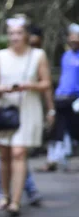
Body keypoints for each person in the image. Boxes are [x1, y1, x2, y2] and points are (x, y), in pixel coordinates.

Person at [0, 14, 52, 216]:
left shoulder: (38, 55)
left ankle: (15, 201)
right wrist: (4, 89)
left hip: (28, 108)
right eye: (11, 34)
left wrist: (28, 85)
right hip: (6, 109)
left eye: (19, 33)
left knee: (19, 152)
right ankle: (4, 195)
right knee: (5, 154)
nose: (15, 37)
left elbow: (46, 84)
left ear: (26, 34)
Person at [38, 23, 79, 172]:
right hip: (62, 97)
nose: (73, 41)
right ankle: (53, 160)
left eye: (76, 38)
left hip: (76, 99)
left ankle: (63, 159)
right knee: (57, 130)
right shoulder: (66, 56)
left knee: (74, 131)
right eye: (71, 38)